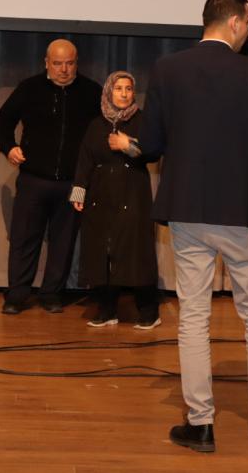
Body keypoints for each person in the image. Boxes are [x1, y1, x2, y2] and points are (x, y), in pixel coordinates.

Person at [140, 0, 248, 452]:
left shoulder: (167, 69)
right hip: (241, 209)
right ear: (236, 22)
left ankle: (201, 424)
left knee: (193, 316)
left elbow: (149, 144)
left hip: (188, 209)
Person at [0, 39, 101, 314]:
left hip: (73, 182)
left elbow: (102, 131)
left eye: (69, 63)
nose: (64, 69)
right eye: (57, 63)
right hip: (33, 179)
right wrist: (9, 147)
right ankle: (16, 295)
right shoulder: (29, 88)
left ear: (77, 63)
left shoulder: (91, 92)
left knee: (63, 242)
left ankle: (52, 293)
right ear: (46, 63)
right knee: (23, 239)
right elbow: (3, 120)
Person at [69, 71, 160, 329]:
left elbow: (154, 152)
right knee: (102, 252)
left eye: (128, 89)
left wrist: (127, 145)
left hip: (133, 194)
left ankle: (149, 311)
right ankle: (107, 310)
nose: (124, 93)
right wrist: (79, 193)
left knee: (136, 251)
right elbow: (84, 160)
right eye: (118, 88)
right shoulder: (96, 124)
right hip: (100, 196)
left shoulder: (143, 120)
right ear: (109, 92)